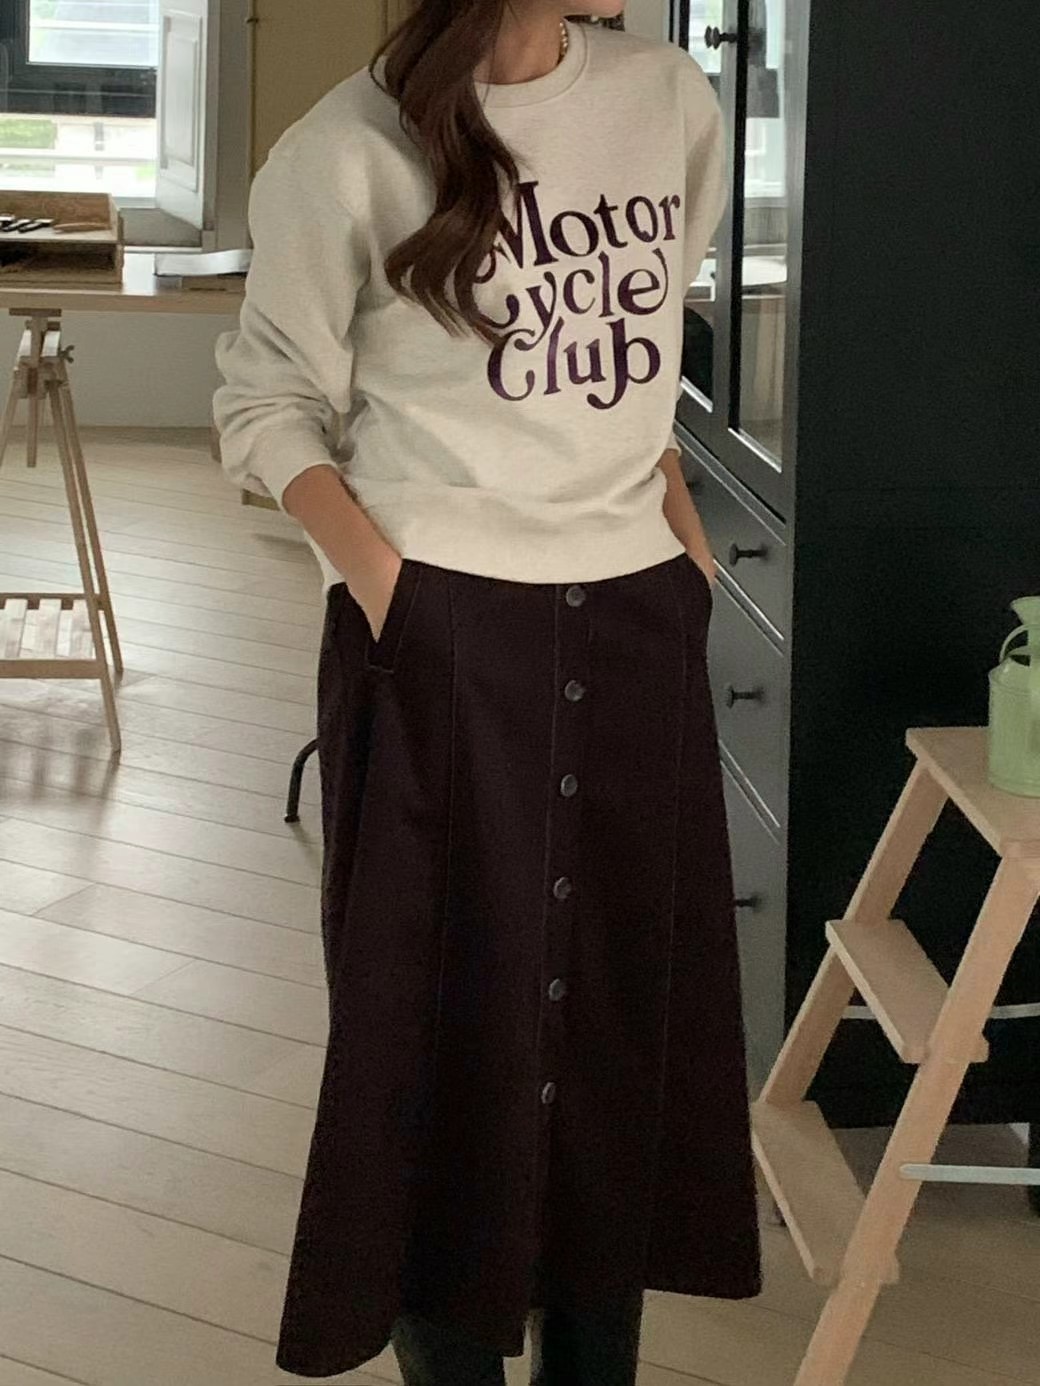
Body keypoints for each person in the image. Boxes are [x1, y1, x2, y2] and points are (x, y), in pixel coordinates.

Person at [212, 2, 763, 1381]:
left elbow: (648, 358)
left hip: (635, 620)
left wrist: (678, 537)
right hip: (442, 635)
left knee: (621, 1028)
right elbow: (264, 408)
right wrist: (400, 596)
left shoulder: (672, 100)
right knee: (443, 1038)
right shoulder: (345, 149)